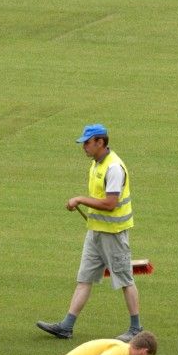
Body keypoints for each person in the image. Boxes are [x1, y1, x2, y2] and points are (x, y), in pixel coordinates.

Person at [37, 123, 143, 342]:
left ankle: (136, 328)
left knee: (125, 279)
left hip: (113, 233)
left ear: (100, 142)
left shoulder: (114, 168)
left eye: (87, 143)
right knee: (84, 278)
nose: (84, 146)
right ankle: (66, 326)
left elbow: (110, 203)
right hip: (96, 231)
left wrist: (80, 199)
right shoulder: (97, 164)